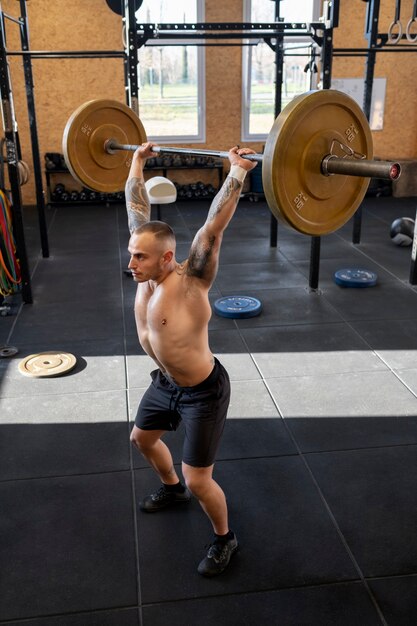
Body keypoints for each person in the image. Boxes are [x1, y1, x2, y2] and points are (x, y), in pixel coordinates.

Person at [125, 142, 257, 577]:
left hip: (202, 391)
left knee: (201, 478)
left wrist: (237, 172)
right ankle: (171, 489)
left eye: (139, 257)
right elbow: (134, 203)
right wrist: (137, 162)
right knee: (141, 440)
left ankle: (225, 539)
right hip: (165, 382)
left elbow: (213, 227)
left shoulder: (192, 280)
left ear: (167, 257)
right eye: (131, 254)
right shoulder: (145, 265)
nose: (131, 263)